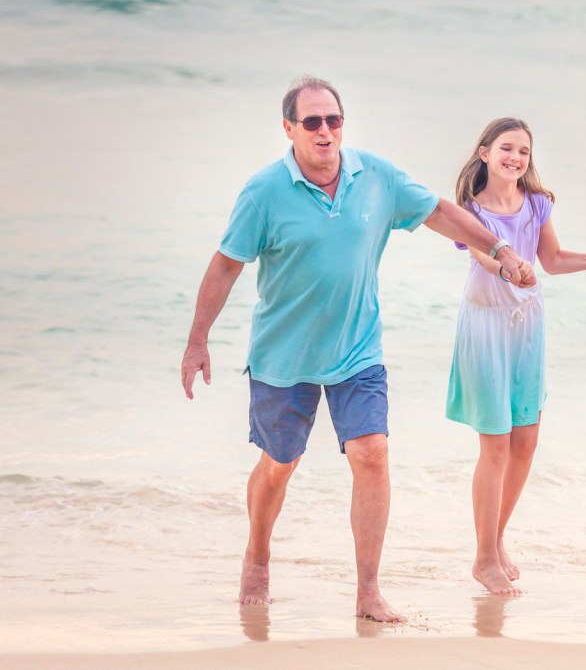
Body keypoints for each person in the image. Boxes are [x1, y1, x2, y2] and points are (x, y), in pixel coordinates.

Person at [179, 76, 530, 622]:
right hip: (283, 357)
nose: (325, 131)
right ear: (289, 128)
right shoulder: (263, 191)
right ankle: (257, 556)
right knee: (279, 464)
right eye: (312, 122)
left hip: (357, 351)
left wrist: (501, 248)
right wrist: (198, 339)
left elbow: (438, 211)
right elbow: (227, 263)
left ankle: (368, 590)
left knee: (372, 454)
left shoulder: (376, 176)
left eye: (333, 120)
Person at [445, 117, 586, 596]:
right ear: (484, 153)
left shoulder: (538, 204)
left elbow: (552, 261)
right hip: (485, 325)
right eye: (506, 148)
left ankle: (496, 541)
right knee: (496, 443)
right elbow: (482, 255)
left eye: (523, 151)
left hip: (529, 327)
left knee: (526, 441)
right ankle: (484, 559)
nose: (516, 158)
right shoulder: (469, 209)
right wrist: (508, 266)